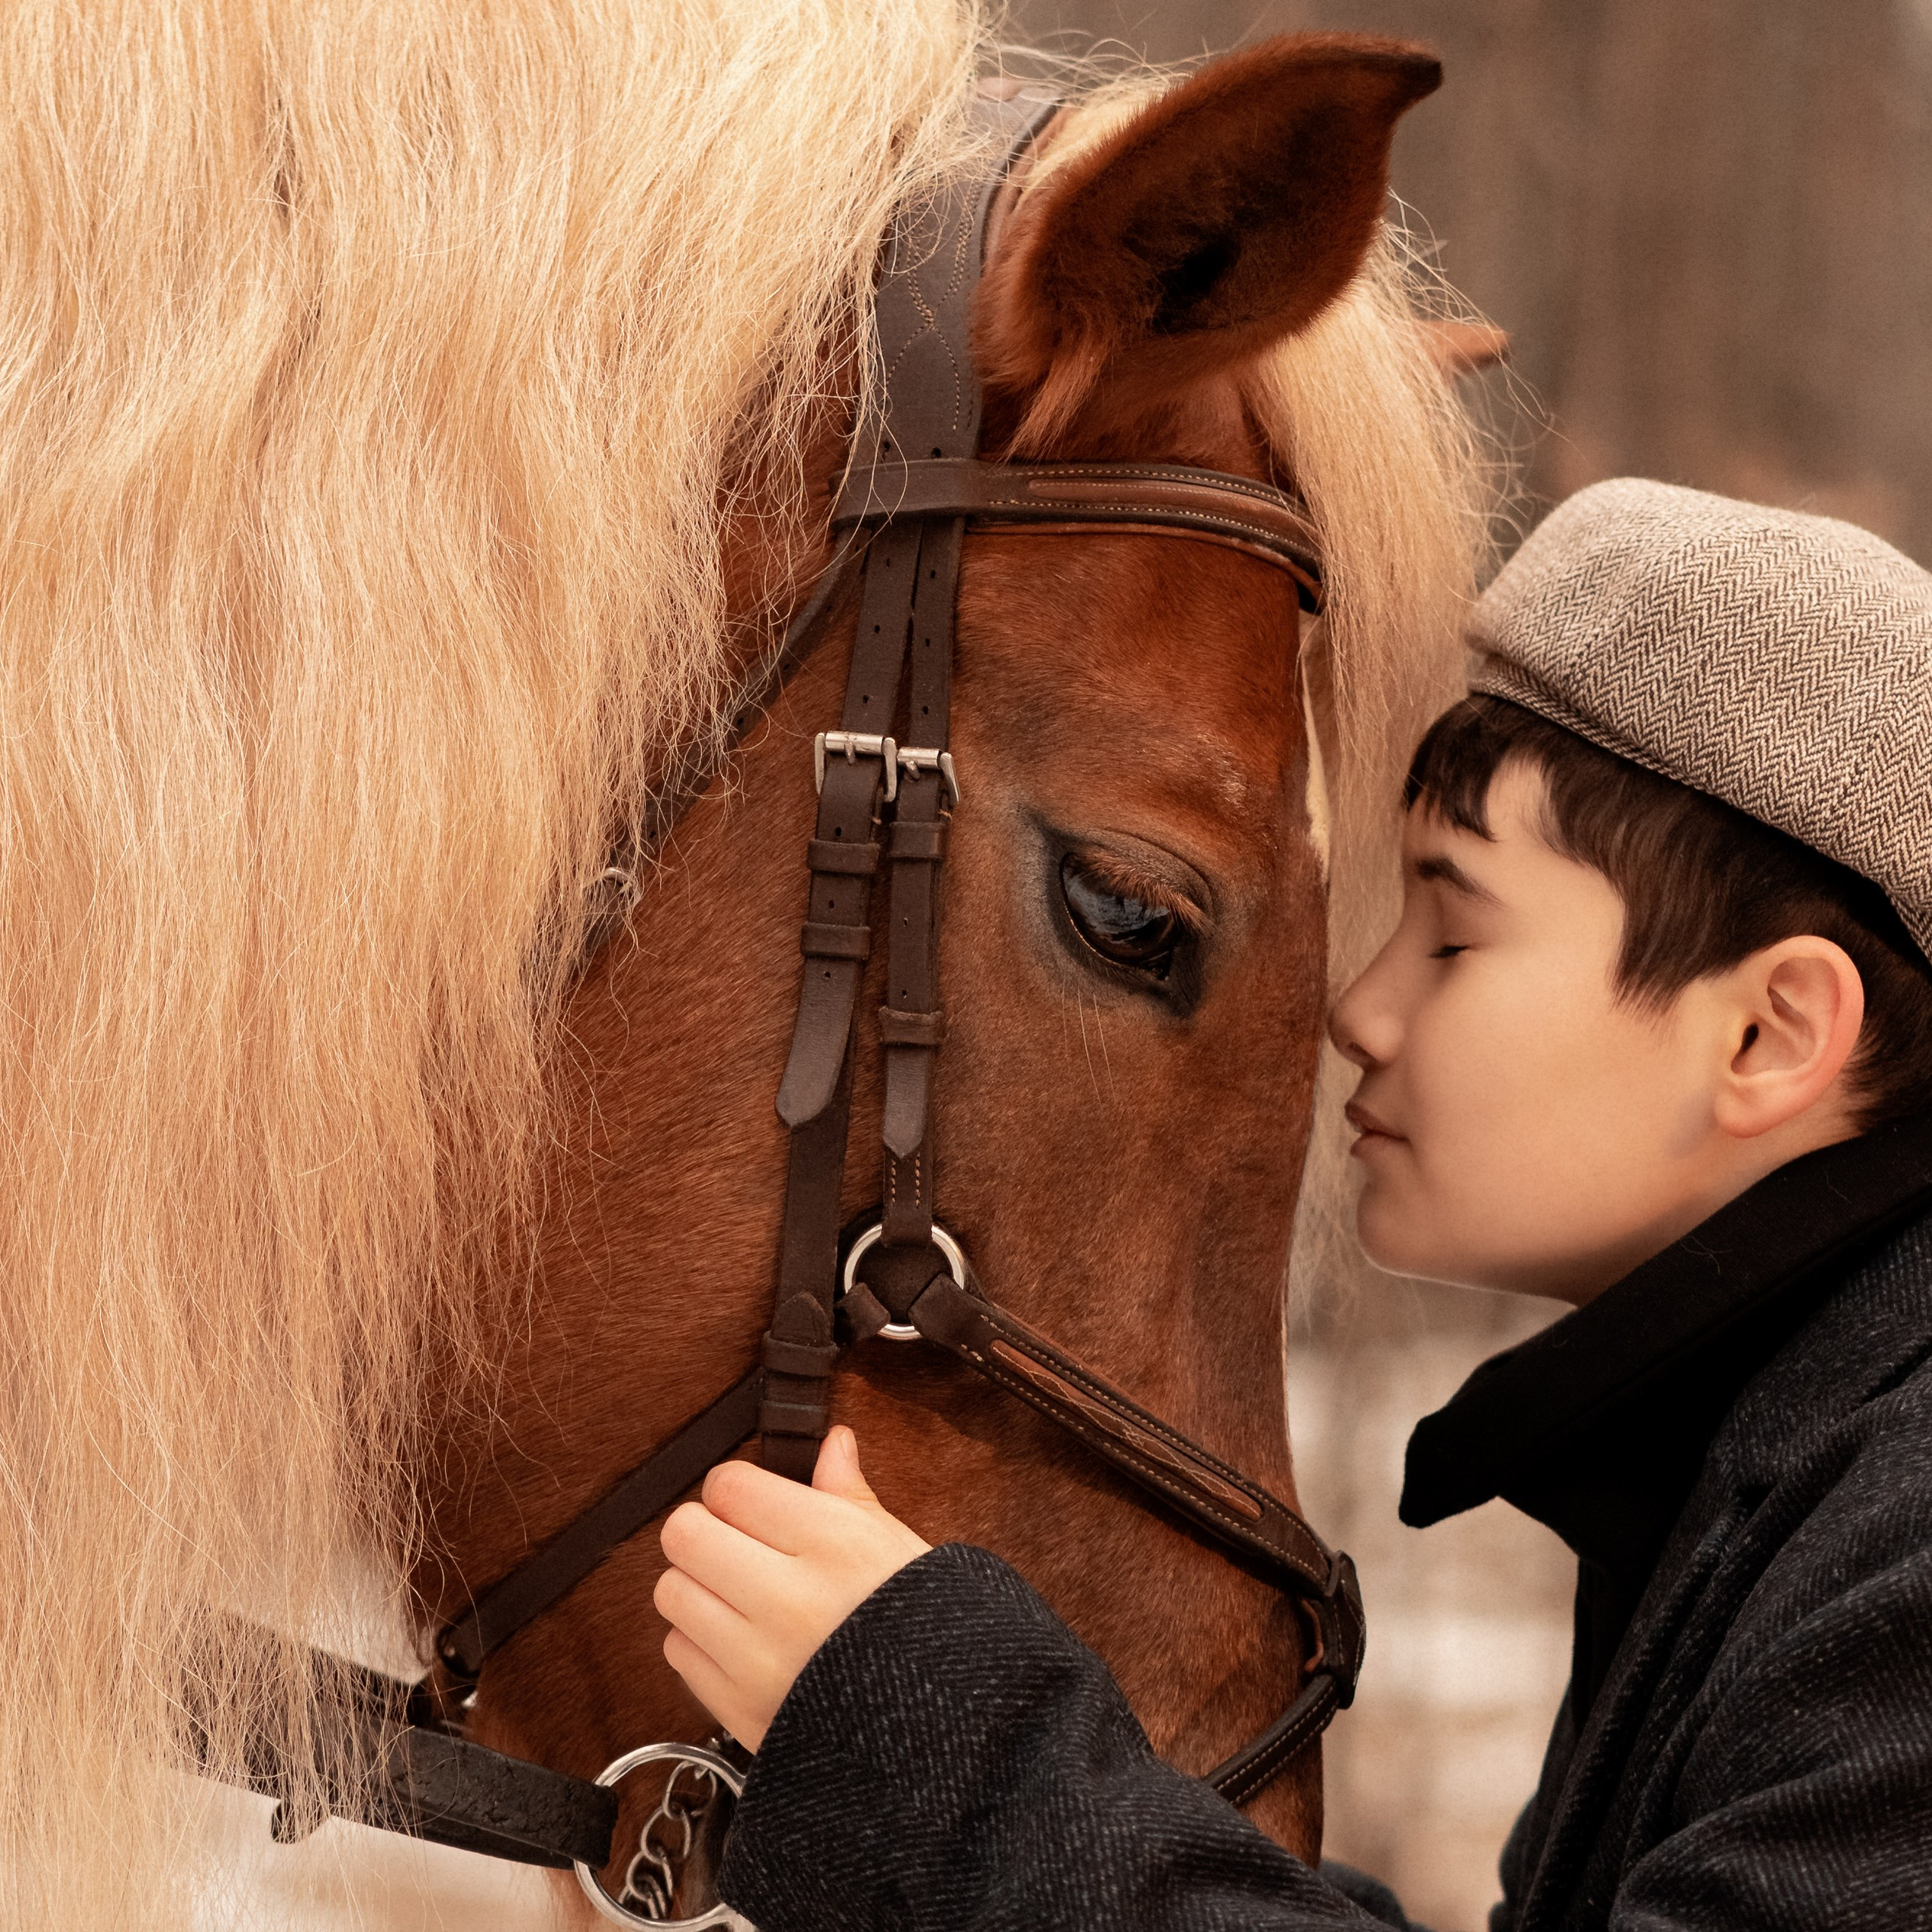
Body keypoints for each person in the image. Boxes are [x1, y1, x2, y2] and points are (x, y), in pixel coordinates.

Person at [652, 478, 1932, 1930]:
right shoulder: (1788, 1448)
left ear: (1767, 1036)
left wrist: (949, 1764)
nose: (1364, 1012)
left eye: (1452, 933)